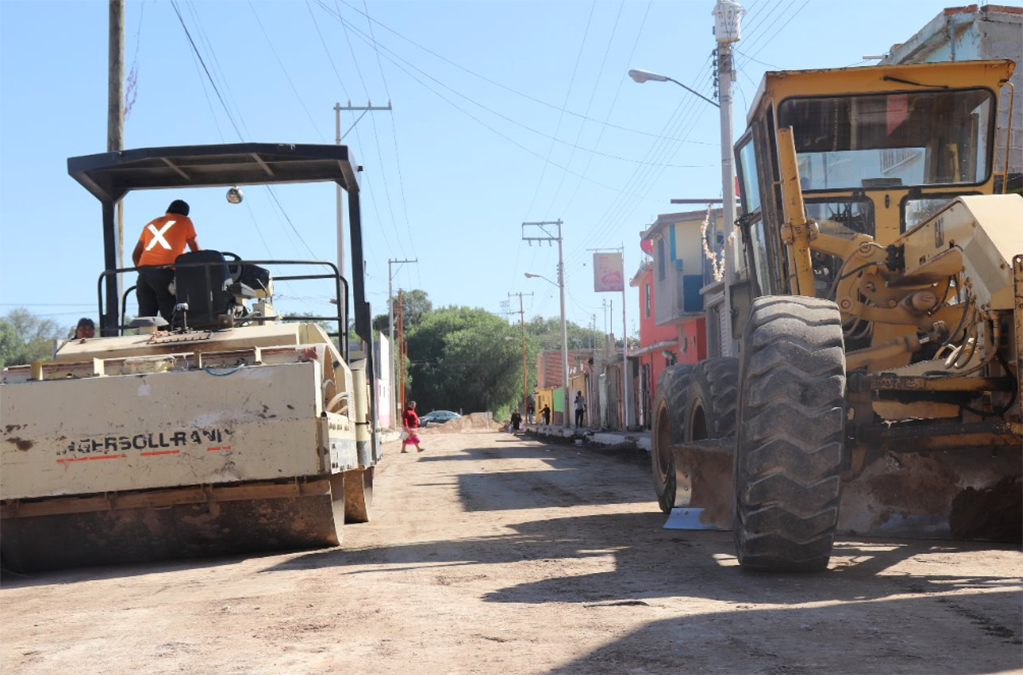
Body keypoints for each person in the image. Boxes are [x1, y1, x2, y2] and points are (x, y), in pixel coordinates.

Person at [131, 199, 201, 322]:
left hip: (144, 276)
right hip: (165, 274)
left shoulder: (150, 225)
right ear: (185, 214)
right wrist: (206, 267)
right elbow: (196, 250)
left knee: (146, 321)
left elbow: (136, 254)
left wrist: (144, 273)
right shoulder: (185, 221)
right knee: (171, 317)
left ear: (167, 211)